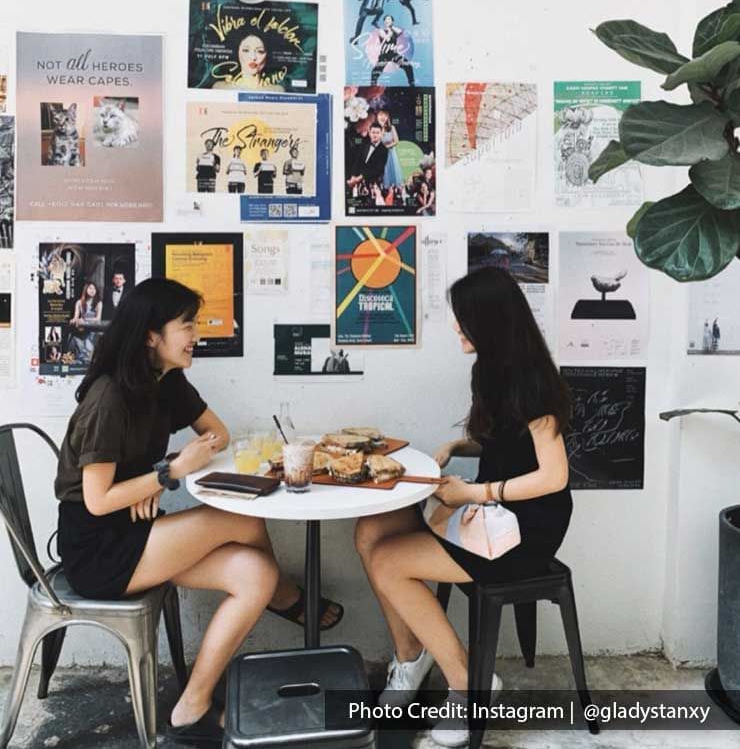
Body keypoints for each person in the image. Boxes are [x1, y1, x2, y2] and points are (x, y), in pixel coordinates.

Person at [55, 278, 342, 744]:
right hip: (99, 548)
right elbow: (97, 500)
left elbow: (219, 435)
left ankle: (191, 706)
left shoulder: (166, 381)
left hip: (140, 528)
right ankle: (290, 600)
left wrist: (152, 478)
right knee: (245, 517)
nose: (196, 334)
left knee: (255, 575)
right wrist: (167, 474)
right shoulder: (108, 398)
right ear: (151, 335)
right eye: (187, 324)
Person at [354, 267, 572, 747]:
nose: (456, 328)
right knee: (371, 529)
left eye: (463, 320)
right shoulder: (490, 371)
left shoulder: (532, 381)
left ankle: (468, 685)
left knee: (389, 561)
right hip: (495, 510)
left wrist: (474, 494)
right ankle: (411, 661)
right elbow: (506, 446)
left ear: (489, 322)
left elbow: (553, 476)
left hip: (526, 527)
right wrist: (458, 446)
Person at [213, 30, 285, 92]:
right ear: (237, 52)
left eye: (260, 51)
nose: (253, 57)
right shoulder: (221, 88)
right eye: (246, 50)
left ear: (268, 55)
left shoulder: (277, 90)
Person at [370, 15, 415, 86]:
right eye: (386, 20)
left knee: (408, 66)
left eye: (389, 19)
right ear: (384, 22)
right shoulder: (381, 30)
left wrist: (391, 27)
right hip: (384, 54)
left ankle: (412, 84)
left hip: (393, 54)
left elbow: (400, 31)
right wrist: (390, 31)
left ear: (392, 21)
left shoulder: (394, 30)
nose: (387, 21)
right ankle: (373, 85)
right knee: (376, 71)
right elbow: (387, 38)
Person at [68, 281, 102, 364]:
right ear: (86, 289)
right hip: (83, 329)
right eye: (90, 288)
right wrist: (73, 320)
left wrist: (85, 320)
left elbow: (98, 319)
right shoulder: (79, 302)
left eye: (94, 289)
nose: (92, 290)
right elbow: (76, 317)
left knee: (89, 348)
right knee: (73, 338)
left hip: (93, 330)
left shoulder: (98, 303)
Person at [347, 123, 389, 188]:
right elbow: (357, 162)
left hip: (372, 181)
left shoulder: (384, 150)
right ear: (369, 133)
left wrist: (360, 178)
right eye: (373, 132)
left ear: (381, 134)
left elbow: (378, 169)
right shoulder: (364, 145)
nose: (375, 135)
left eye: (377, 133)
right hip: (357, 178)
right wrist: (353, 176)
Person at [377, 109, 404, 189]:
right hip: (381, 154)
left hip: (391, 153)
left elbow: (396, 141)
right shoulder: (377, 129)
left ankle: (396, 190)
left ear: (388, 117)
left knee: (393, 170)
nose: (383, 117)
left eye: (385, 115)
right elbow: (377, 141)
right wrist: (381, 127)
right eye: (381, 115)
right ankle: (385, 189)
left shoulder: (392, 127)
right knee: (384, 172)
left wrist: (386, 147)